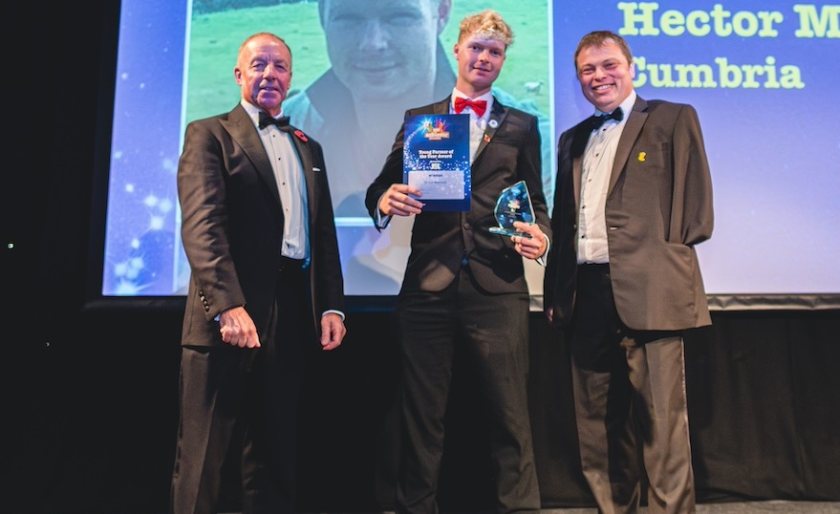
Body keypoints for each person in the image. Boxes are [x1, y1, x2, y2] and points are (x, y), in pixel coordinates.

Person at [365, 10, 549, 513]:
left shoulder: (521, 126)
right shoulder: (422, 122)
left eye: (495, 51)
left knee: (511, 418)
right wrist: (386, 201)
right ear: (458, 50)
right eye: (477, 48)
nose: (485, 58)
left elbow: (536, 200)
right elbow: (380, 187)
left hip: (498, 286)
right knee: (420, 418)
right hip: (428, 288)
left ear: (503, 59)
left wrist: (542, 237)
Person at [171, 32, 346, 514]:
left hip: (291, 315)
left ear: (291, 78)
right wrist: (228, 305)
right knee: (205, 455)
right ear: (239, 74)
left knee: (273, 455)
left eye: (281, 67)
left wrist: (331, 304)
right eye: (260, 65)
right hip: (226, 316)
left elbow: (323, 234)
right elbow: (202, 227)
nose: (270, 74)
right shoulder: (209, 133)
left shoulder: (307, 146)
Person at [543, 30, 713, 514]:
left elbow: (696, 210)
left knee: (663, 425)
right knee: (595, 425)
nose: (599, 77)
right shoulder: (571, 139)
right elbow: (564, 218)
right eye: (587, 70)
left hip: (652, 290)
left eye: (608, 65)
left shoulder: (672, 118)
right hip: (584, 292)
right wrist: (557, 292)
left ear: (630, 66)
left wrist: (663, 266)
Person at [285, 0, 552, 218]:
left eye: (399, 17)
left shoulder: (534, 140)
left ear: (442, 12)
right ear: (322, 16)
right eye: (349, 19)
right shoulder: (287, 128)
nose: (373, 44)